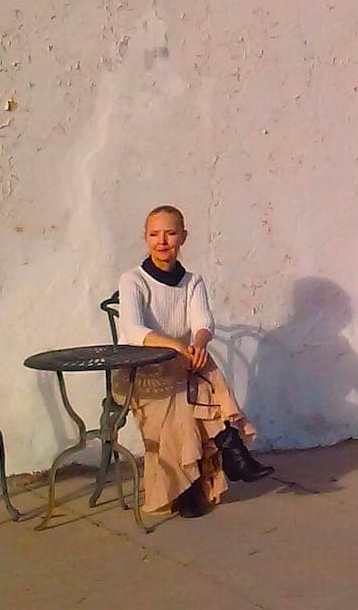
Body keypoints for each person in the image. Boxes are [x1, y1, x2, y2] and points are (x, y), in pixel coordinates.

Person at [115, 205, 273, 518]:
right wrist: (176, 345)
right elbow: (132, 330)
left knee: (202, 366)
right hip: (141, 372)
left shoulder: (192, 281)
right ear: (145, 238)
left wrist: (198, 343)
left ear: (183, 237)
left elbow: (204, 321)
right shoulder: (133, 280)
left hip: (181, 366)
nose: (162, 241)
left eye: (170, 233)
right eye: (154, 234)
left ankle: (214, 460)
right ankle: (223, 452)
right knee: (182, 400)